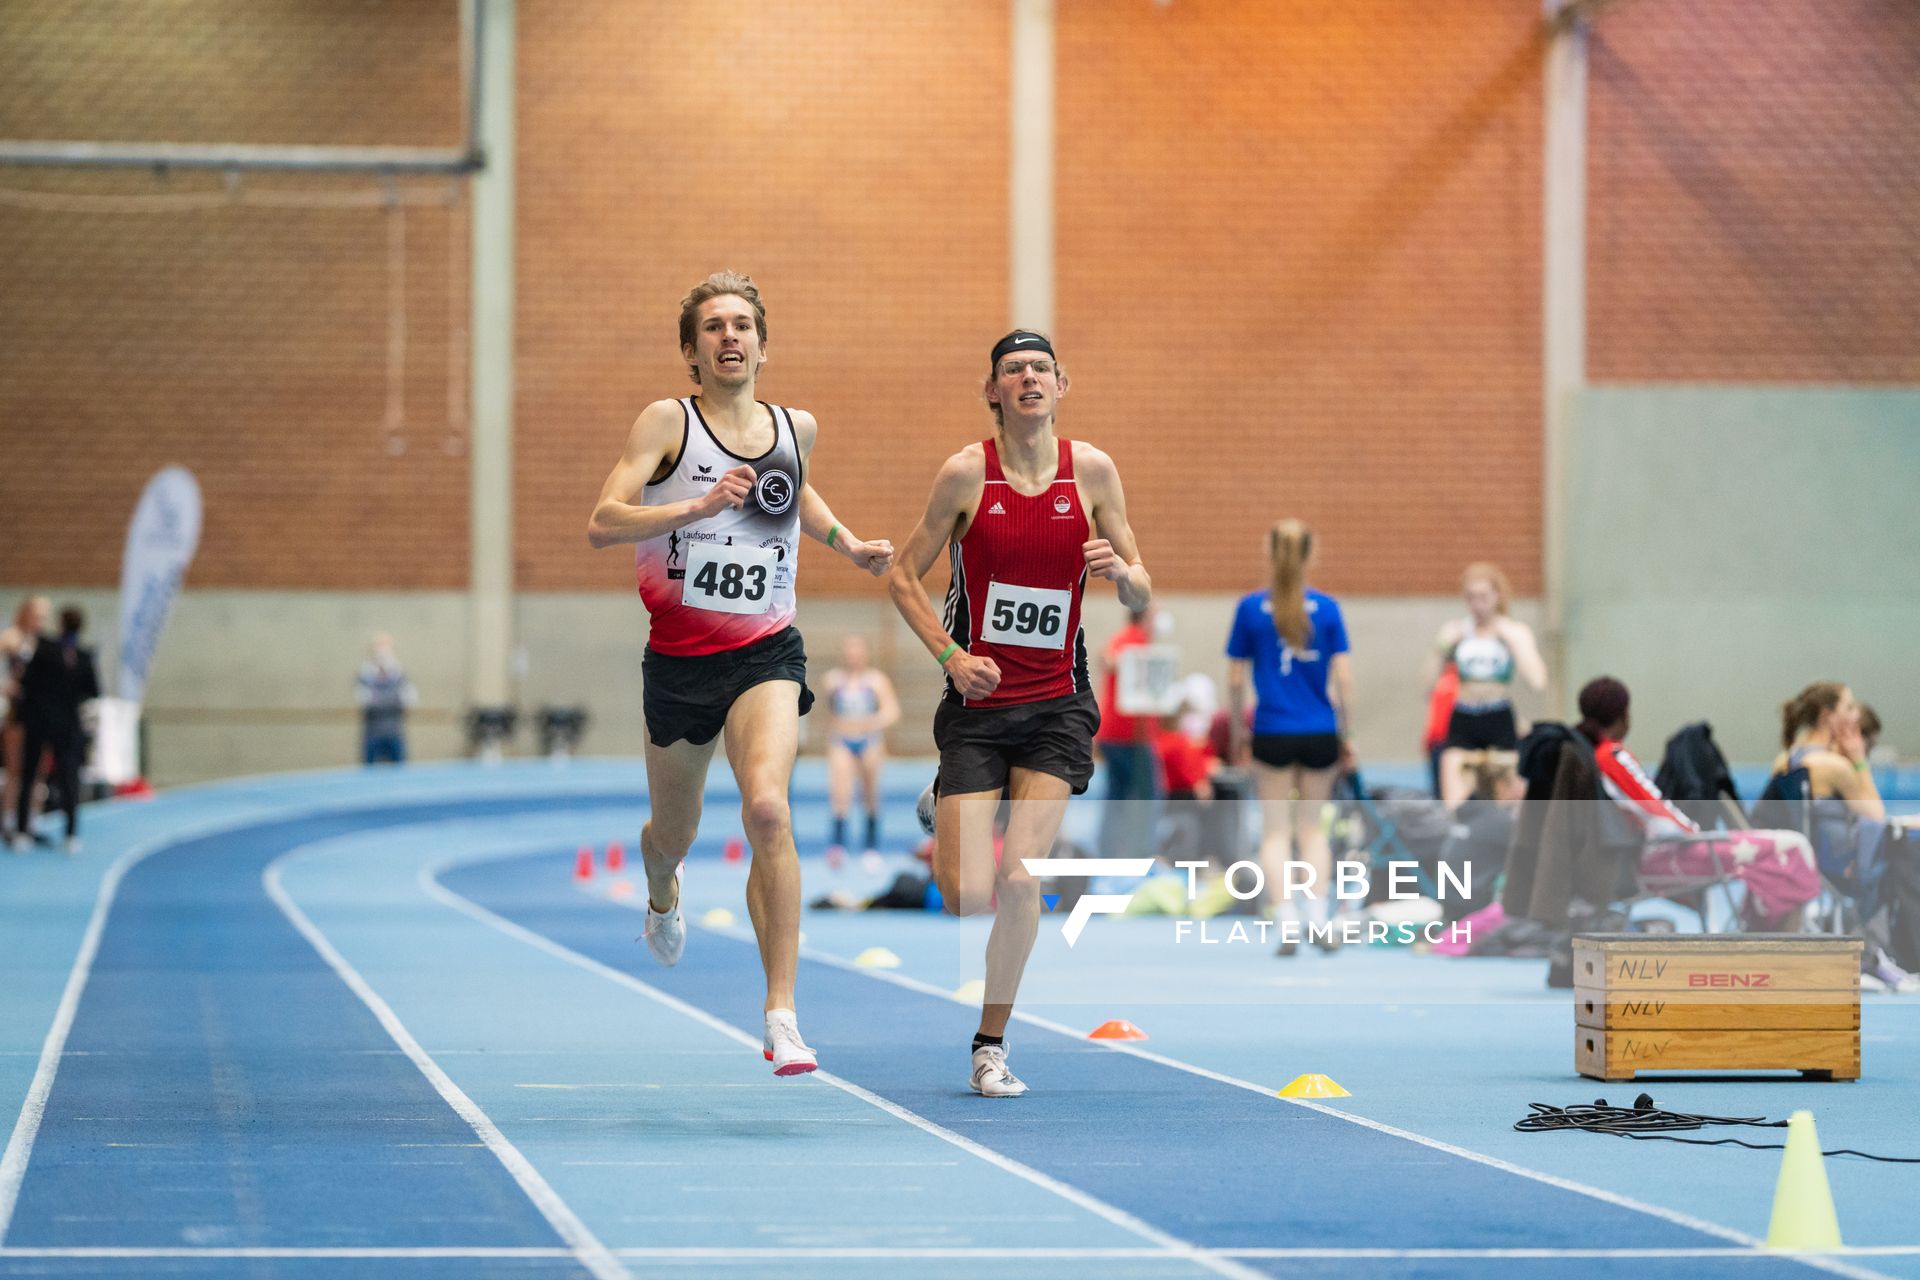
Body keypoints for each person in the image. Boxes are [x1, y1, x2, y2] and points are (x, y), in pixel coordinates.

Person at [586, 271, 893, 1076]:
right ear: (691, 349)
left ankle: (782, 1014)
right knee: (674, 834)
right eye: (713, 327)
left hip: (766, 651)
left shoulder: (798, 426)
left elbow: (797, 494)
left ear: (763, 342)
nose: (730, 337)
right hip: (682, 662)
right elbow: (601, 522)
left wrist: (849, 543)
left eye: (743, 325)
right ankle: (662, 887)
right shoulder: (668, 423)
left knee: (767, 808)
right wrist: (692, 508)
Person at [887, 328, 1149, 1098]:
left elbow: (1141, 586)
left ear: (1062, 383)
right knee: (968, 894)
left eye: (1041, 368)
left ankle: (990, 1045)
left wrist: (1122, 573)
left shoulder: (1094, 472)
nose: (1028, 379)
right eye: (1013, 370)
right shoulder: (967, 475)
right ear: (992, 391)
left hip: (1057, 706)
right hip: (977, 703)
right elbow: (904, 576)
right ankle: (945, 801)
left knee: (1021, 877)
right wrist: (950, 658)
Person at [1578, 677, 1818, 929]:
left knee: (1774, 861)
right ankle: (1788, 951)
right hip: (1666, 854)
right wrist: (1695, 835)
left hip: (1650, 854)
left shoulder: (1590, 756)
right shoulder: (1612, 756)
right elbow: (1655, 810)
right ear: (1624, 714)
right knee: (1793, 847)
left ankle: (1759, 930)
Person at [1225, 519, 1354, 956]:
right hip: (1320, 729)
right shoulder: (1329, 609)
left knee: (1276, 831)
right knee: (1312, 829)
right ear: (1310, 556)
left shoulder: (1249, 609)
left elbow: (1235, 678)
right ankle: (1317, 917)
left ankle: (1287, 922)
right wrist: (1346, 733)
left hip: (1272, 729)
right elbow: (1344, 680)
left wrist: (1240, 733)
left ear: (1269, 553)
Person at [1428, 563, 1546, 810]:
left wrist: (1515, 642)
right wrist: (1442, 647)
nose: (1477, 605)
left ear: (1497, 596)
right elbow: (1426, 686)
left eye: (1483, 597)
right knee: (1454, 806)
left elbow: (1538, 680)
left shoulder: (1513, 631)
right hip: (1463, 718)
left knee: (1508, 804)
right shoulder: (1457, 631)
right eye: (1471, 597)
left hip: (1498, 717)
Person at [10, 606, 100, 855]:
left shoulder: (46, 649)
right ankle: (70, 835)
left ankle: (21, 832)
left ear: (61, 624)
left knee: (30, 776)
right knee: (67, 779)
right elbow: (92, 691)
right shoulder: (82, 656)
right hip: (63, 725)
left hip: (42, 722)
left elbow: (26, 682)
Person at [821, 634, 899, 866]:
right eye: (849, 651)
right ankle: (837, 846)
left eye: (857, 651)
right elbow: (827, 712)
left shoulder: (876, 681)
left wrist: (870, 723)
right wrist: (837, 728)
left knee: (870, 794)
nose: (853, 656)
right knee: (840, 793)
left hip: (869, 740)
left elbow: (892, 711)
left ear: (865, 653)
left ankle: (871, 847)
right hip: (842, 739)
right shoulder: (832, 680)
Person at [1092, 603, 1159, 862]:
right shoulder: (1134, 638)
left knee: (1117, 796)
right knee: (1146, 797)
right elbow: (1107, 659)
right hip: (1128, 735)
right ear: (1145, 616)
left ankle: (1110, 852)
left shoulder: (1130, 638)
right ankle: (1142, 854)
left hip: (1120, 734)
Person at [2, 596, 51, 845]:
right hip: (17, 712)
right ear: (25, 613)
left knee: (37, 771)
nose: (42, 621)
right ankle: (9, 820)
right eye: (38, 615)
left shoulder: (42, 643)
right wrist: (3, 686)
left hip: (38, 713)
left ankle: (32, 820)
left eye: (45, 617)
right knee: (15, 769)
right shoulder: (11, 637)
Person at [355, 633, 418, 766]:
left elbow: (410, 700)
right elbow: (366, 702)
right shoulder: (365, 676)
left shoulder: (400, 675)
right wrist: (391, 699)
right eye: (378, 648)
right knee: (369, 772)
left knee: (400, 771)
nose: (382, 653)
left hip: (394, 732)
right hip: (372, 734)